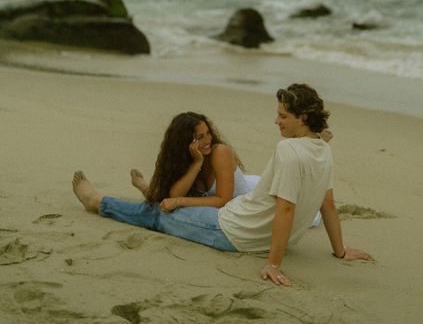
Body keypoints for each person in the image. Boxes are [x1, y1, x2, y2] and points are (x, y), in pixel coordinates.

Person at [72, 83, 372, 285]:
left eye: (282, 116)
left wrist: (274, 265)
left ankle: (98, 202)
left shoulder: (288, 150)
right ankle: (140, 192)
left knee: (159, 215)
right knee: (170, 204)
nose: (276, 122)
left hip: (234, 231)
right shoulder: (323, 149)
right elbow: (328, 203)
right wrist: (340, 250)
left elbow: (286, 210)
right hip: (251, 222)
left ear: (302, 117)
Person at [129, 110, 331, 224]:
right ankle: (145, 186)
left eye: (208, 133)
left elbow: (222, 200)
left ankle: (316, 142)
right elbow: (173, 194)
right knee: (159, 199)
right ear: (184, 142)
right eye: (199, 137)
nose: (207, 140)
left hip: (254, 193)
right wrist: (197, 164)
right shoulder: (189, 160)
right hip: (233, 196)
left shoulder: (220, 152)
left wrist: (179, 201)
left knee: (311, 216)